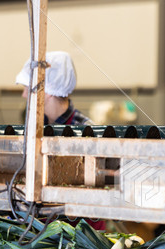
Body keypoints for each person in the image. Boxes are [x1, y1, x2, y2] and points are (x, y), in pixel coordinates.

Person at [16, 51, 104, 231]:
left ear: (46, 91)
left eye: (27, 87)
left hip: (82, 236)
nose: (24, 94)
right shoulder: (34, 130)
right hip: (42, 232)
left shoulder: (87, 131)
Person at [16, 51, 93, 125]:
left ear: (48, 91)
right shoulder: (35, 125)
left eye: (28, 88)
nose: (24, 95)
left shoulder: (87, 133)